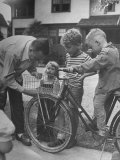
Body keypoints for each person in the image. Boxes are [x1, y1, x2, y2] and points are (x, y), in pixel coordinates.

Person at [65, 28, 120, 146]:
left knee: (98, 105)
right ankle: (96, 124)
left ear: (97, 42)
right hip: (115, 85)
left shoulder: (105, 53)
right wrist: (85, 74)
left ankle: (101, 133)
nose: (91, 50)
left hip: (106, 87)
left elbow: (93, 63)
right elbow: (101, 66)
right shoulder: (114, 49)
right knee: (105, 107)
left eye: (91, 46)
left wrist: (76, 68)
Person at [0, 35, 49, 146]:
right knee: (0, 102)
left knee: (17, 103)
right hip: (2, 69)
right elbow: (6, 78)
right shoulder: (13, 52)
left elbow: (30, 61)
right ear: (31, 50)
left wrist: (33, 71)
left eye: (39, 59)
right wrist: (25, 90)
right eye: (36, 59)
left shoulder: (34, 45)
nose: (37, 61)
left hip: (13, 69)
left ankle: (20, 133)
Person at [48, 28, 93, 147]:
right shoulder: (68, 55)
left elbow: (95, 68)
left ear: (78, 44)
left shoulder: (85, 57)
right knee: (61, 111)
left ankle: (72, 139)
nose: (66, 50)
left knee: (73, 113)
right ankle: (61, 137)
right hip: (65, 86)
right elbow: (68, 69)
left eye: (68, 47)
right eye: (65, 47)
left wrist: (83, 76)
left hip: (76, 89)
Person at [23, 61, 60, 142]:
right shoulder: (43, 79)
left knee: (50, 119)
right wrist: (37, 100)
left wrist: (55, 102)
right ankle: (40, 134)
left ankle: (49, 136)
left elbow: (56, 92)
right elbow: (39, 89)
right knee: (40, 118)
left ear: (56, 71)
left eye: (52, 69)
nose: (49, 70)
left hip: (50, 102)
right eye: (48, 68)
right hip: (42, 101)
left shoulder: (55, 80)